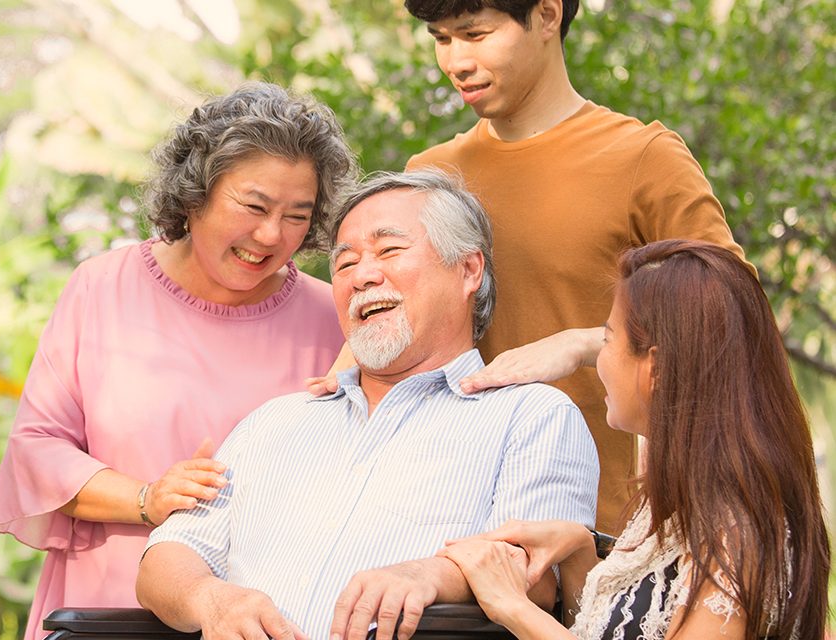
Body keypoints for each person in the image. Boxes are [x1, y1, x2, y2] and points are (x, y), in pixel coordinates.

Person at [136, 170, 599, 640]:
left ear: (468, 270)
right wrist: (209, 598)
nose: (363, 275)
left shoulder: (531, 416)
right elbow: (165, 558)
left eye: (389, 250)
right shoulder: (273, 421)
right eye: (345, 263)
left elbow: (540, 579)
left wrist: (430, 575)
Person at [346, 0, 752, 534]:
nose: (455, 61)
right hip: (445, 526)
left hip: (601, 532)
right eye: (442, 39)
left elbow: (734, 313)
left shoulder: (644, 157)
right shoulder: (431, 175)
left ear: (546, 15)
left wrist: (587, 343)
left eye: (474, 33)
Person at [0, 82, 357, 639]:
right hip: (109, 604)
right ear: (195, 193)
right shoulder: (101, 287)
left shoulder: (333, 315)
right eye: (253, 206)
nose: (271, 234)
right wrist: (146, 498)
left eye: (297, 215)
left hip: (266, 617)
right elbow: (37, 449)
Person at [440, 240, 830, 639]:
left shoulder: (734, 534)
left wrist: (513, 608)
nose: (600, 360)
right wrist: (579, 553)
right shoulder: (688, 506)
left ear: (656, 369)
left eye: (607, 340)